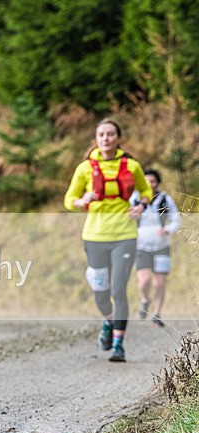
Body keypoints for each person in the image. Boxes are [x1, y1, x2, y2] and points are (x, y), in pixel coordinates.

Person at [64, 118, 153, 363]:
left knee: (118, 290)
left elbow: (147, 191)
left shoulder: (132, 166)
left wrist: (142, 205)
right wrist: (82, 201)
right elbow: (69, 199)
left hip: (125, 235)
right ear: (96, 139)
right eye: (101, 134)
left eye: (111, 134)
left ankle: (118, 345)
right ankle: (108, 322)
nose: (106, 138)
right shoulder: (85, 168)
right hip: (95, 236)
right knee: (101, 293)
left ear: (118, 138)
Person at [130, 169, 181, 327]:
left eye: (152, 181)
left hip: (161, 246)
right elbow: (124, 216)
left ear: (157, 183)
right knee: (144, 281)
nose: (150, 184)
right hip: (141, 246)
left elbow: (176, 219)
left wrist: (167, 230)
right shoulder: (134, 198)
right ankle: (145, 299)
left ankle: (157, 313)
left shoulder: (165, 199)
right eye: (146, 181)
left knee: (160, 282)